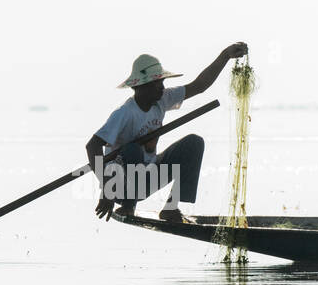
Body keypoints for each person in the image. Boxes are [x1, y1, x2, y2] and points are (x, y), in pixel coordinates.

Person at [86, 44, 248, 222]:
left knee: (194, 143)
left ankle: (171, 208)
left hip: (147, 178)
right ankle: (128, 205)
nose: (162, 88)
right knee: (132, 150)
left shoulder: (162, 100)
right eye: (158, 83)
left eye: (162, 83)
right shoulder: (125, 113)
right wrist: (107, 189)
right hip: (120, 185)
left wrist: (224, 56)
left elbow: (199, 85)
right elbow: (92, 145)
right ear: (142, 86)